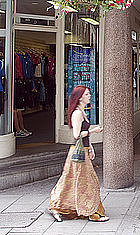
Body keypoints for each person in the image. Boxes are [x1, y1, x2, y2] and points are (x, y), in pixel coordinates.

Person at [49, 85, 108, 222]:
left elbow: (83, 137)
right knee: (86, 181)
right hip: (79, 153)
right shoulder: (77, 113)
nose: (89, 96)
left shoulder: (82, 111)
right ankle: (90, 212)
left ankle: (59, 206)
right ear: (80, 97)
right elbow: (77, 135)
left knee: (72, 181)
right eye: (87, 94)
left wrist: (91, 147)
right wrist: (94, 131)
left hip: (83, 151)